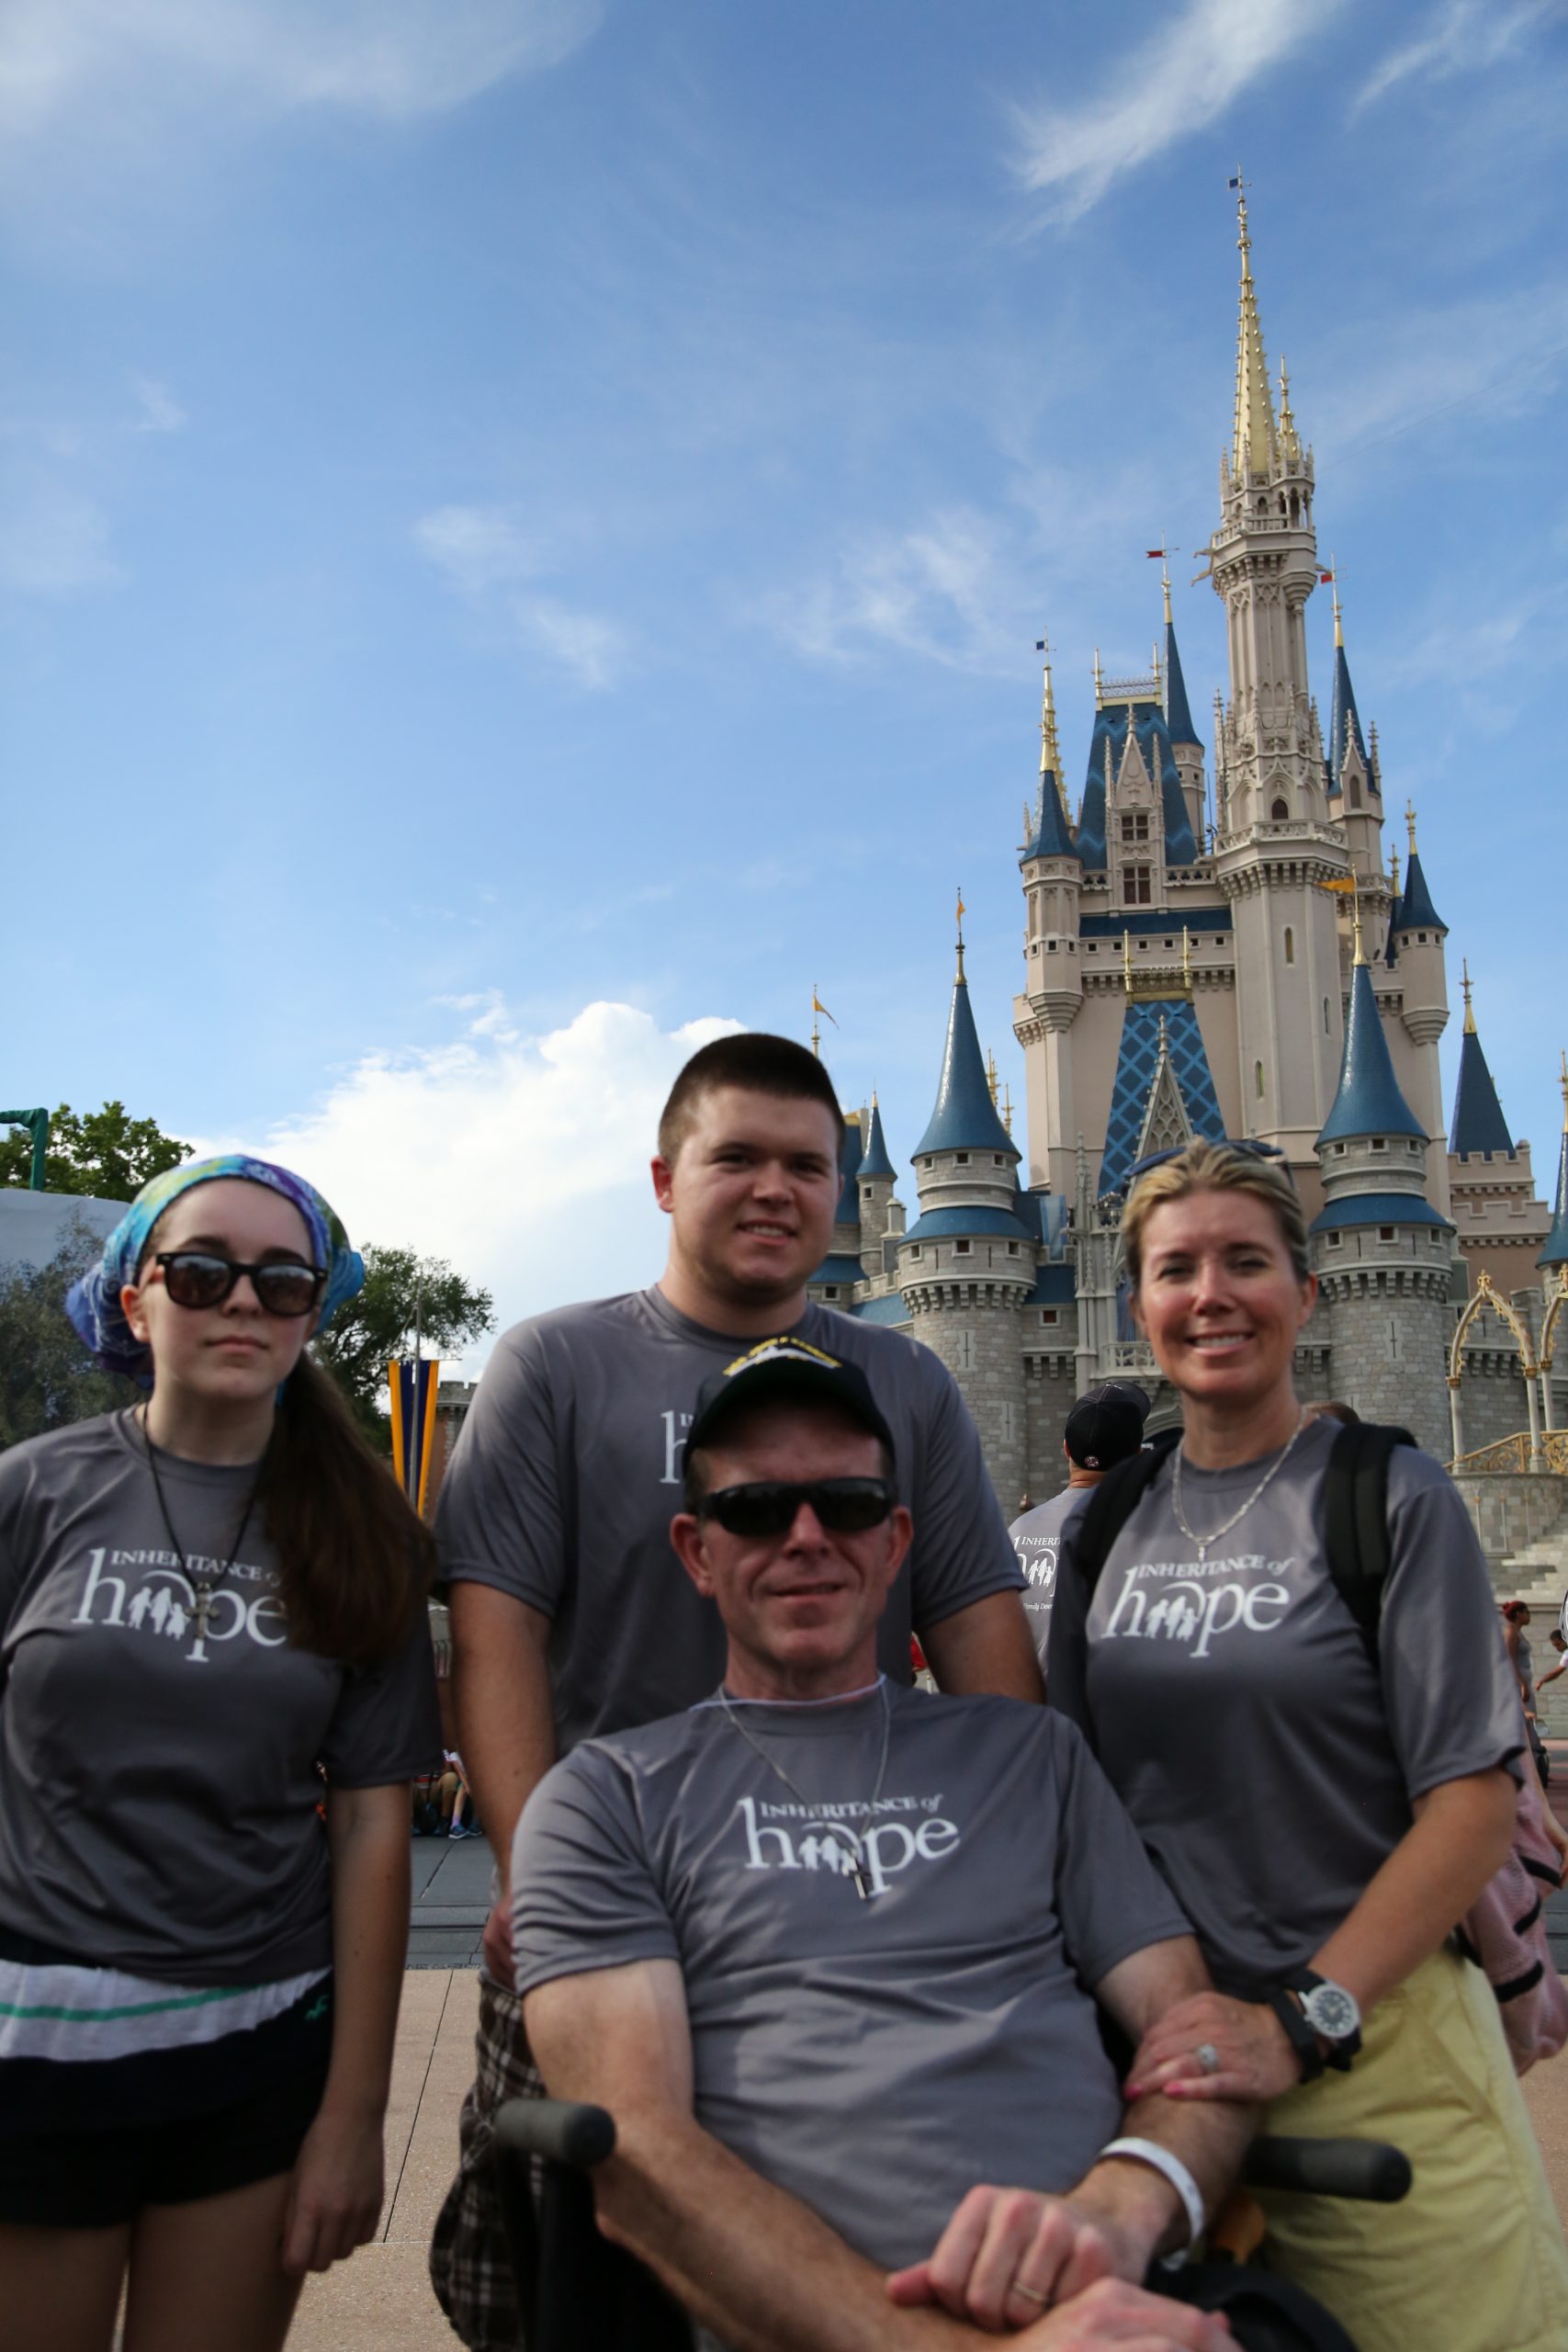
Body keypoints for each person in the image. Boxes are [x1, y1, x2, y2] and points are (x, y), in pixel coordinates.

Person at [432, 1033, 1041, 2346]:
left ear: (842, 1194)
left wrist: (1028, 1863)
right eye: (738, 1159)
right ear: (663, 1178)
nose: (775, 1189)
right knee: (561, 2271)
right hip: (600, 1908)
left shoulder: (906, 1379)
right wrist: (535, 1875)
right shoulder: (556, 1368)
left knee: (841, 2237)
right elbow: (496, 1640)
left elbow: (979, 1633)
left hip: (841, 1899)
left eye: (806, 1166)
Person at [513, 1339, 1256, 2352]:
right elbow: (640, 2158)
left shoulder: (1033, 1757)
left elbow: (1196, 2042)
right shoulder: (606, 1801)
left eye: (849, 1502)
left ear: (897, 1538)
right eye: (757, 1509)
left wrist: (1122, 2211)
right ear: (697, 1550)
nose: (807, 1536)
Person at [1046, 1140, 1568, 2352]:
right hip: (1167, 2062)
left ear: (1307, 1290)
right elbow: (1072, 1788)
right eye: (1175, 1268)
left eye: (1244, 1261)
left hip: (1371, 2039)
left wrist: (1302, 2017)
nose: (1209, 1294)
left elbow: (1470, 1804)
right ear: (1134, 1306)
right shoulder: (1109, 1526)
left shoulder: (1385, 1497)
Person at [0, 1157, 441, 2352]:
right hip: (35, 2045)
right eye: (201, 1273)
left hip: (252, 2047)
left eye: (281, 1280)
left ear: (312, 1314)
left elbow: (370, 1827)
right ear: (136, 1302)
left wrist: (355, 2114)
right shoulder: (33, 1495)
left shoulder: (365, 1539)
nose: (241, 1301)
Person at [1010, 1383, 1150, 1668]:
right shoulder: (1144, 1533)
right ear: (1137, 1453)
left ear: (1066, 1449)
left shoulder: (1017, 1532)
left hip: (1025, 1707)